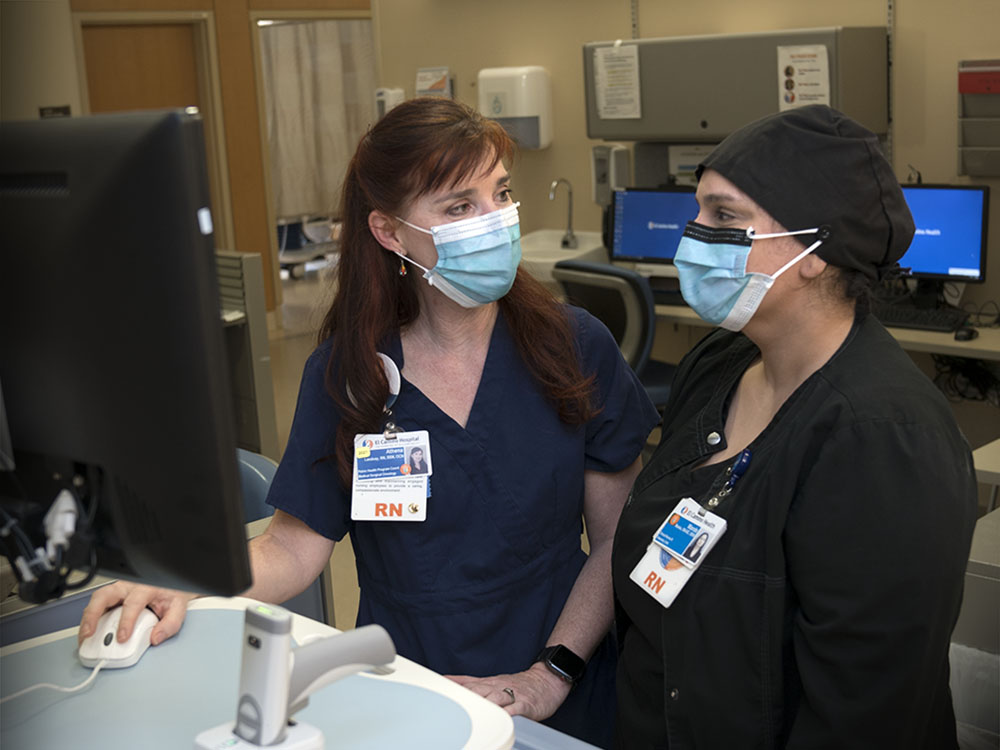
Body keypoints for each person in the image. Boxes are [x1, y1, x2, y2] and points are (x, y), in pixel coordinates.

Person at [80, 97, 659, 747]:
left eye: (500, 194)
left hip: (560, 682)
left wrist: (548, 675)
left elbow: (617, 541)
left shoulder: (573, 345)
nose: (494, 223)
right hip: (407, 688)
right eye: (459, 207)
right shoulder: (350, 375)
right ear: (390, 233)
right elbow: (293, 549)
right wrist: (185, 578)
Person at [611, 105, 978, 749]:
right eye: (698, 211)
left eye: (724, 217)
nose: (692, 235)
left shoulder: (882, 435)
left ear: (816, 253)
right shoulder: (718, 366)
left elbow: (865, 711)